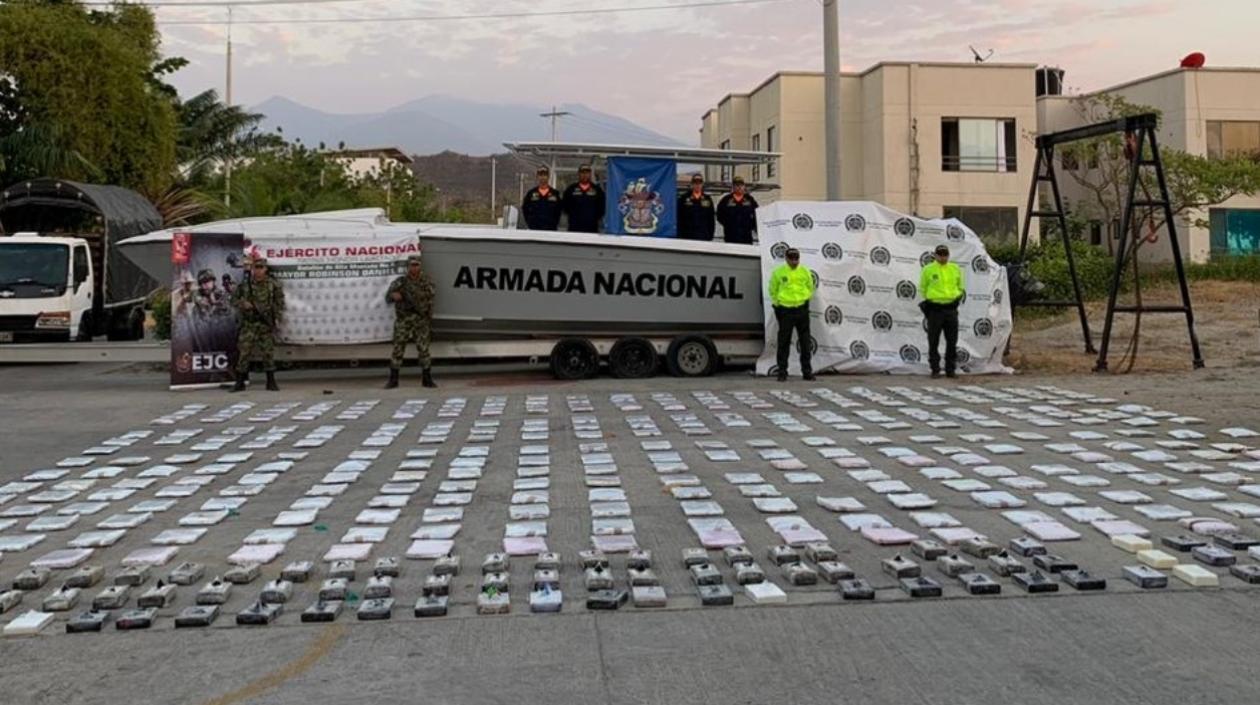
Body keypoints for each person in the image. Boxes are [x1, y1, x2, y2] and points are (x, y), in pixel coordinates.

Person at [231, 256, 285, 392]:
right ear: (253, 269)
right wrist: (243, 304)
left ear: (266, 269)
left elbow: (280, 303)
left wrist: (275, 318)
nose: (259, 271)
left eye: (261, 268)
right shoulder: (244, 285)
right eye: (256, 268)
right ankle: (239, 383)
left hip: (265, 324)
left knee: (268, 354)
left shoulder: (273, 285)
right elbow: (233, 300)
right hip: (249, 324)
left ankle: (271, 382)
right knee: (244, 353)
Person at [385, 253, 437, 389]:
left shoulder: (427, 281)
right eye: (412, 265)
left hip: (421, 321)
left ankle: (427, 379)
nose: (414, 268)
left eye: (416, 265)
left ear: (420, 266)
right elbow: (388, 298)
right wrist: (394, 295)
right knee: (398, 349)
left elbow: (431, 299)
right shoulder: (400, 282)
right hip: (404, 320)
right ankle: (393, 380)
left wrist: (428, 316)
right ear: (408, 267)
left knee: (424, 350)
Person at [767, 247, 815, 382]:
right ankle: (782, 372)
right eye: (791, 259)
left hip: (801, 309)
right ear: (786, 258)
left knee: (805, 342)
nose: (794, 262)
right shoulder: (779, 272)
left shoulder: (804, 271)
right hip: (786, 310)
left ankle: (807, 372)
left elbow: (810, 287)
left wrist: (805, 300)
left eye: (796, 259)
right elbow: (772, 289)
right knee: (783, 342)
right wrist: (778, 305)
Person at [919, 244, 965, 379]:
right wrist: (931, 299)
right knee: (933, 341)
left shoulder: (955, 268)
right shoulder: (928, 269)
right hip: (935, 309)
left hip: (951, 308)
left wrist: (957, 297)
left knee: (952, 340)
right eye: (940, 255)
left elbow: (960, 286)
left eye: (945, 255)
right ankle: (935, 369)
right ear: (935, 255)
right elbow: (922, 288)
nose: (943, 257)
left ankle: (950, 369)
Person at [715, 175, 759, 244]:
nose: (739, 187)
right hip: (730, 237)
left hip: (746, 237)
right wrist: (729, 225)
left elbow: (757, 214)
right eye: (737, 185)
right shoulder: (726, 200)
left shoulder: (750, 200)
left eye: (741, 185)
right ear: (733, 187)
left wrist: (750, 226)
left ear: (744, 186)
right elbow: (719, 215)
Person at [562, 164, 605, 233]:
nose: (585, 175)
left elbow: (602, 209)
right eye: (582, 172)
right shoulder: (571, 189)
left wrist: (592, 217)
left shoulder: (597, 190)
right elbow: (565, 207)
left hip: (592, 229)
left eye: (587, 172)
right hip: (574, 228)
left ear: (590, 174)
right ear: (578, 174)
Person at [521, 166, 562, 231]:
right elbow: (525, 209)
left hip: (551, 230)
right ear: (537, 176)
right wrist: (530, 223)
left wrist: (554, 223)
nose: (543, 177)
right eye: (540, 175)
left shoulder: (555, 194)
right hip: (534, 230)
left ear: (548, 176)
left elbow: (559, 211)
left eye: (545, 175)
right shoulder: (531, 193)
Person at [676, 173, 715, 241]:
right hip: (687, 236)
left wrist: (710, 236)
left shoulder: (707, 199)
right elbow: (679, 217)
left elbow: (711, 219)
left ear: (702, 184)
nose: (697, 185)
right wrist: (680, 235)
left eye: (699, 183)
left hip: (703, 236)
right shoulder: (684, 198)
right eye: (695, 182)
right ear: (692, 184)